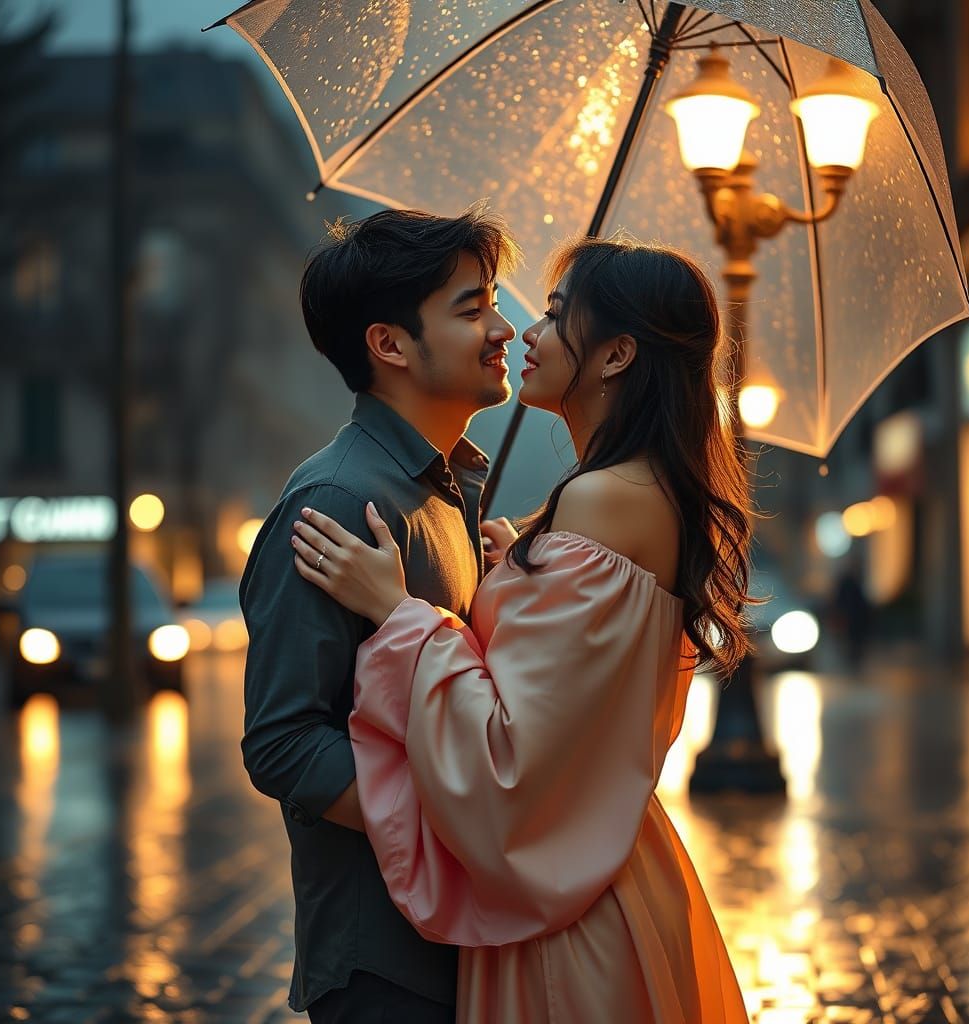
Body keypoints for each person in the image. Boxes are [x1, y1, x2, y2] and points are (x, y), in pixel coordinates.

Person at [290, 237, 753, 1022]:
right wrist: (522, 564)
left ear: (615, 357)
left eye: (555, 314)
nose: (524, 333)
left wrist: (399, 613)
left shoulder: (601, 502)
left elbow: (509, 762)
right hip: (606, 872)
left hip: (564, 924)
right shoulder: (629, 496)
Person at [239, 204, 520, 1022]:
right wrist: (446, 829)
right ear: (390, 344)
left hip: (462, 942)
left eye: (493, 301)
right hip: (384, 962)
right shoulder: (339, 500)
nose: (502, 327)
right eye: (472, 309)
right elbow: (283, 742)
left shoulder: (443, 490)